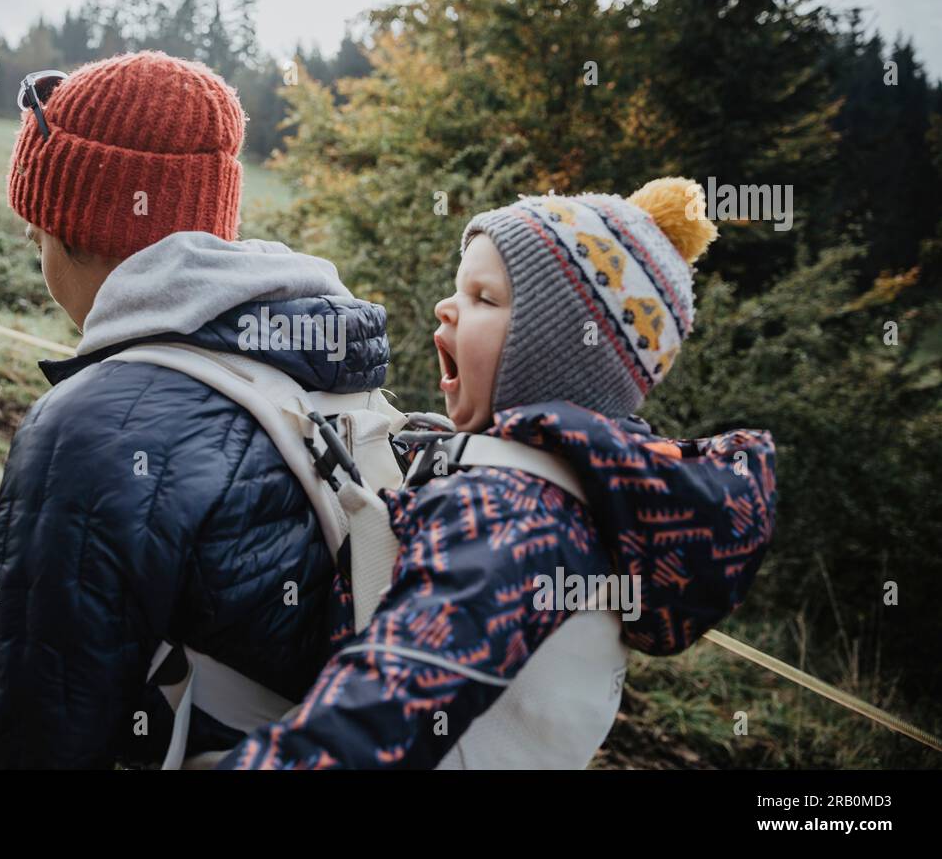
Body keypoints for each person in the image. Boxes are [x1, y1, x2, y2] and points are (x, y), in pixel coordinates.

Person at [217, 178, 779, 769]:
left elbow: (379, 713)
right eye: (459, 288)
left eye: (485, 298)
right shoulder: (587, 485)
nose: (448, 307)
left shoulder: (513, 514)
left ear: (556, 359)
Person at [0, 50, 389, 768]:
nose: (36, 252)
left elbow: (32, 727)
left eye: (36, 233)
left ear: (73, 230)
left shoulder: (89, 427)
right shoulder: (323, 364)